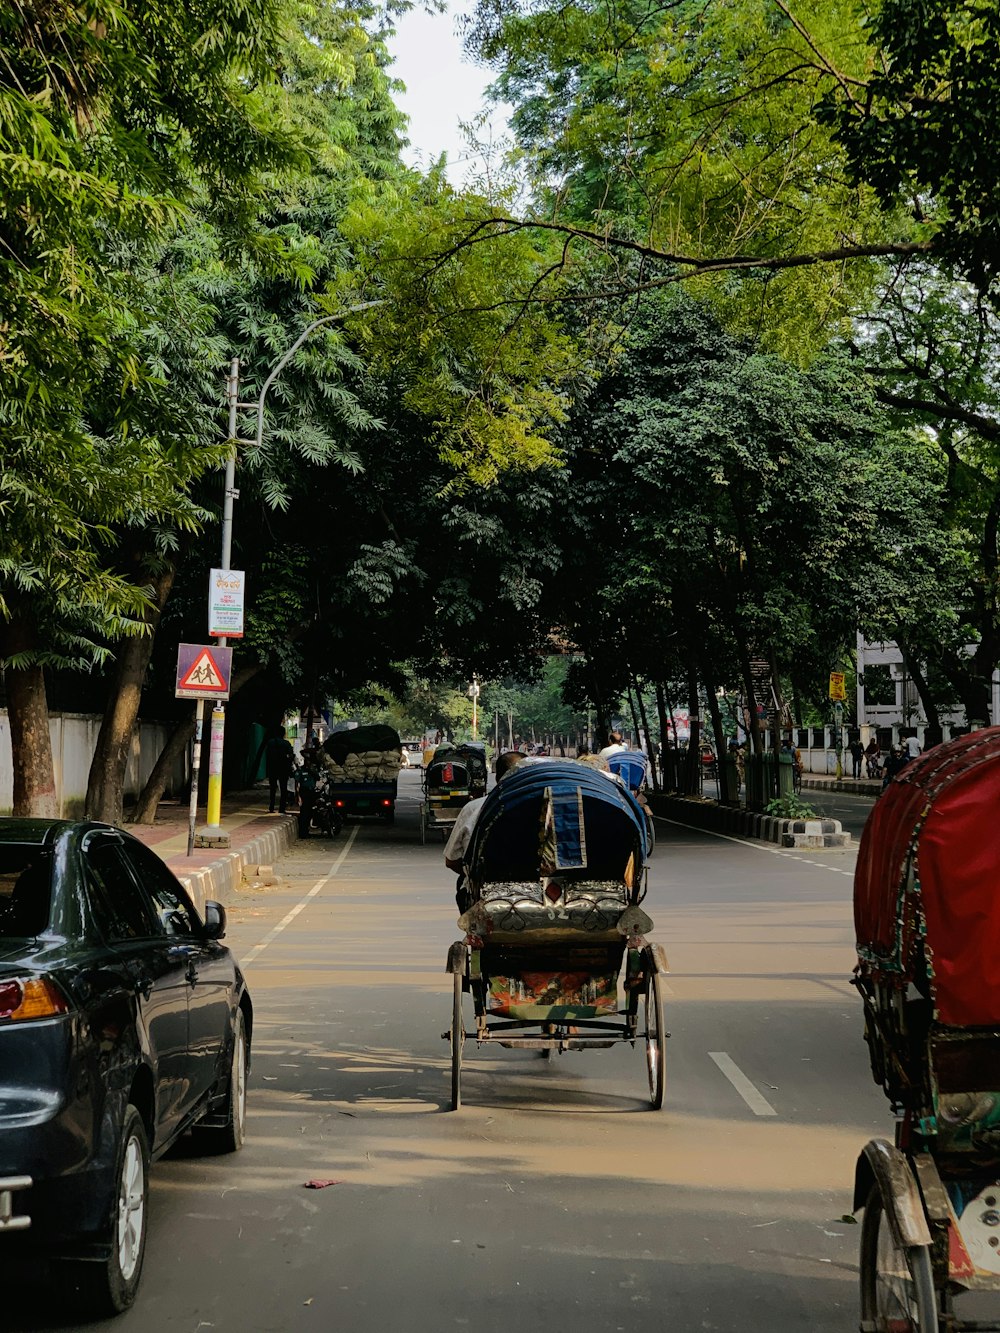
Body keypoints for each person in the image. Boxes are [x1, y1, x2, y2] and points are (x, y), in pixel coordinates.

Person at [444, 751, 526, 909]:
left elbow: (451, 860)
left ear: (497, 778)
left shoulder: (474, 808)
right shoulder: (546, 807)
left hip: (481, 892)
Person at [262, 726, 296, 814]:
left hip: (272, 768)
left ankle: (271, 807)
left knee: (272, 789)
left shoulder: (270, 743)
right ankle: (282, 808)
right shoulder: (286, 743)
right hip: (283, 768)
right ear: (283, 733)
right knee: (283, 789)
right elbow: (291, 756)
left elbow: (267, 756)